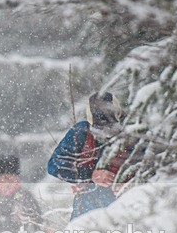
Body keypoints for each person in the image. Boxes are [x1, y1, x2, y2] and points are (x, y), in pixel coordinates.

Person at [47, 92, 130, 220]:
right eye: (100, 129)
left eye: (111, 127)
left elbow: (150, 167)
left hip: (124, 206)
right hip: (87, 207)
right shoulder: (81, 132)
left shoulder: (132, 133)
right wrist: (89, 175)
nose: (106, 134)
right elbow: (54, 165)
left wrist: (129, 183)